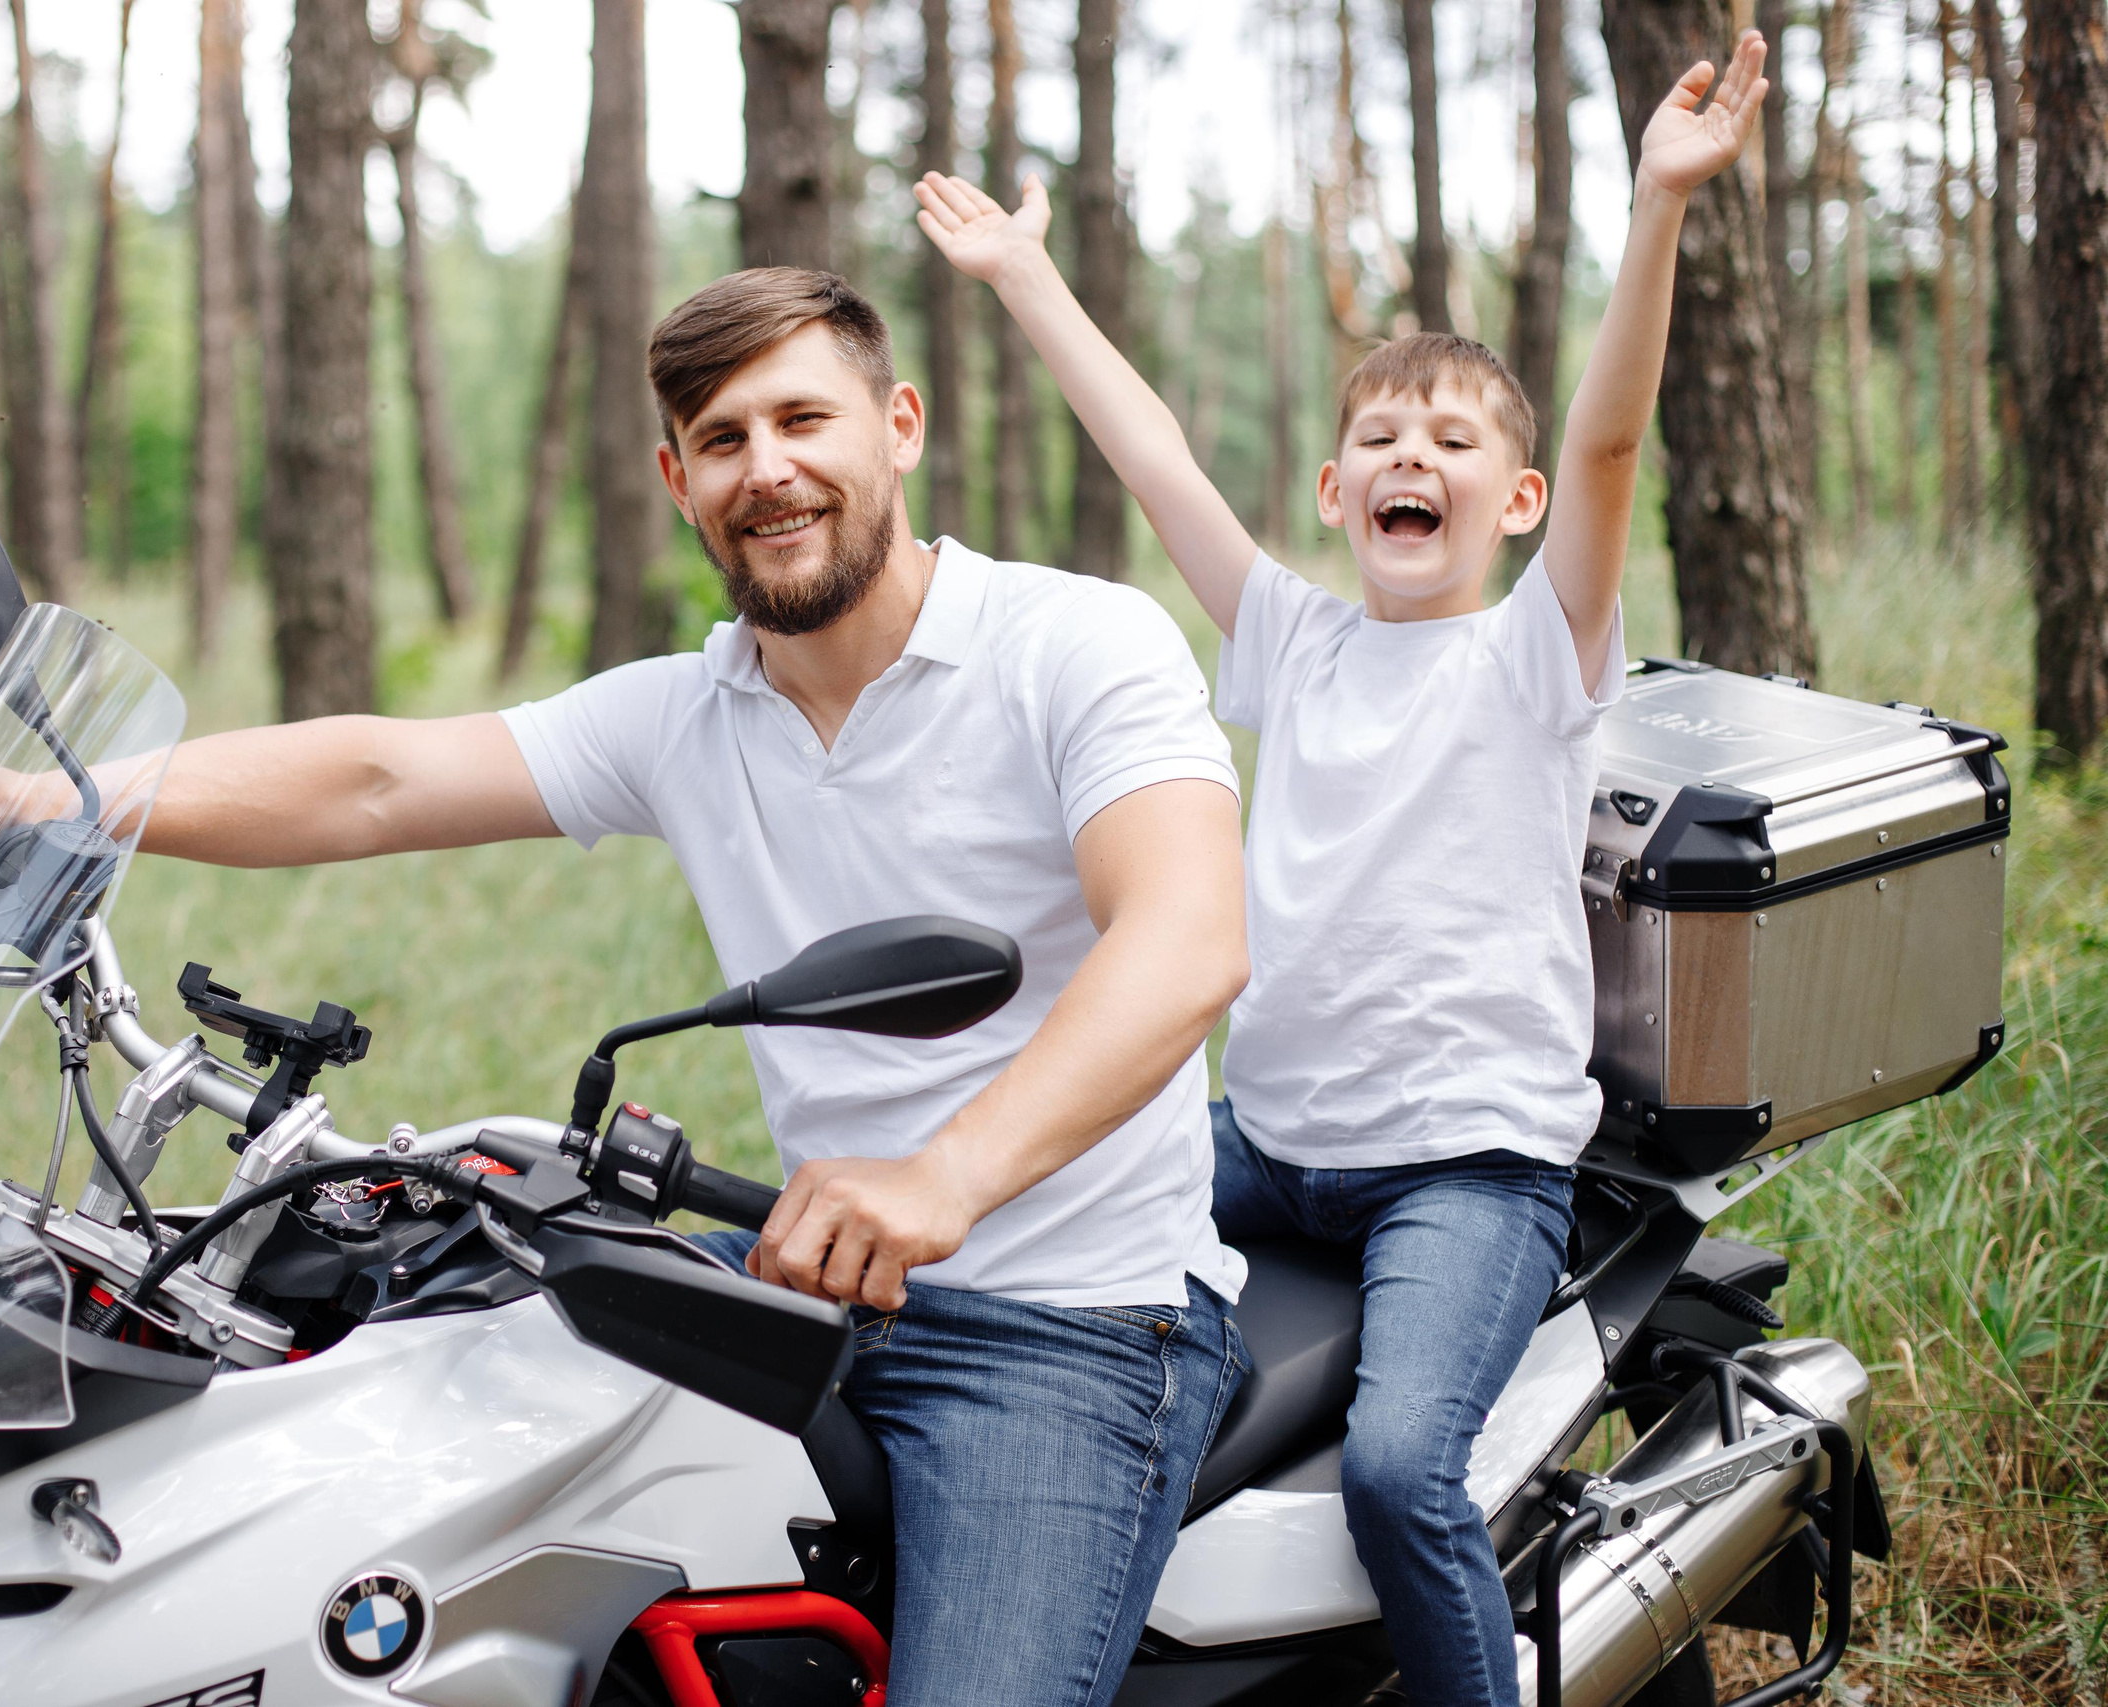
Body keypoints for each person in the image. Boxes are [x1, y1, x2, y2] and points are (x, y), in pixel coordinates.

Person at [107, 269, 1248, 1706]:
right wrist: (66, 797)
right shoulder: (688, 714)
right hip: (810, 1289)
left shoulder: (1074, 645)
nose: (766, 468)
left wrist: (945, 1178)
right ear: (678, 481)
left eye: (802, 419)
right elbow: (378, 778)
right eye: (721, 438)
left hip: (1070, 1325)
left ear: (898, 426)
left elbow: (1189, 937)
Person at [916, 32, 1771, 1707]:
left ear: (1512, 503)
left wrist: (1657, 207)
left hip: (1467, 1171)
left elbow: (1609, 446)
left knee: (1398, 1477)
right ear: (1332, 487)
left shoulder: (1536, 655)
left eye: (1454, 445)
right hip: (1271, 1143)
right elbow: (1153, 458)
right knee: (977, 1242)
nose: (1410, 461)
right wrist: (1024, 276)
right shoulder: (1293, 646)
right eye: (1381, 437)